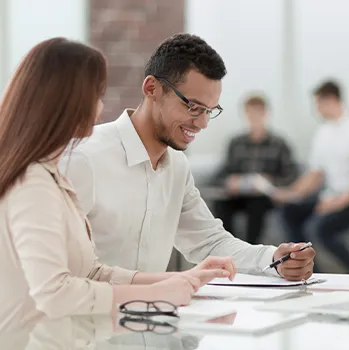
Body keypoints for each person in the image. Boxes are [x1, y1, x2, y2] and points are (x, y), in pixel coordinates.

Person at [0, 37, 237, 331]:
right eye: (96, 95)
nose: (99, 107)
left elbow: (90, 272)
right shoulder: (35, 182)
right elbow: (54, 293)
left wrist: (177, 280)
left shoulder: (52, 176)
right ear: (63, 100)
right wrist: (154, 294)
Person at [60, 34, 315, 282]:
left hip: (150, 317)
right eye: (192, 106)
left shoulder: (177, 167)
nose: (202, 123)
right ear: (152, 89)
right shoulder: (84, 159)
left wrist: (274, 259)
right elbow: (55, 274)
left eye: (209, 111)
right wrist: (168, 285)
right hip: (86, 320)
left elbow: (209, 241)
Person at [275, 81, 349, 272]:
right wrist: (290, 193)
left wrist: (337, 202)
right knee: (289, 212)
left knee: (318, 228)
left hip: (345, 199)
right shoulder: (323, 132)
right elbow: (315, 174)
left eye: (318, 104)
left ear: (331, 99)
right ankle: (311, 272)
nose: (316, 109)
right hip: (330, 195)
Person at [212, 95, 298, 244]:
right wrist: (230, 182)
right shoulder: (236, 143)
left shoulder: (279, 143)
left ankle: (251, 248)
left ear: (265, 113)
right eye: (250, 113)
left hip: (264, 197)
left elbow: (290, 175)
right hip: (239, 195)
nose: (254, 118)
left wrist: (270, 181)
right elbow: (221, 174)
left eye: (258, 113)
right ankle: (227, 247)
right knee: (221, 203)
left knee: (256, 203)